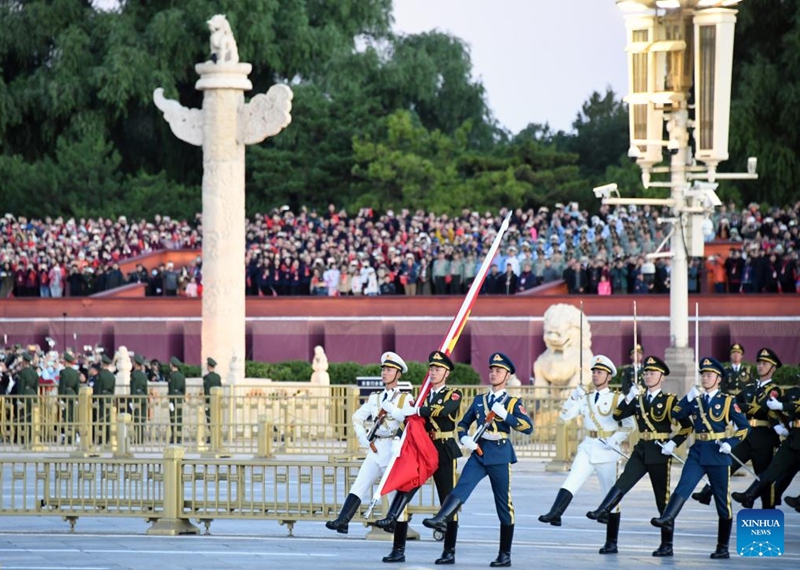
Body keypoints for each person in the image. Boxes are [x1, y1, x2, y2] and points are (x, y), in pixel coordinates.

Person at [422, 352, 533, 567]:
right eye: (491, 370)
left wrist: (506, 416)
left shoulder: (511, 402)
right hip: (480, 452)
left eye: (498, 371)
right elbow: (463, 423)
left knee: (503, 504)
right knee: (461, 487)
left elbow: (527, 427)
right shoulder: (480, 400)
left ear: (507, 375)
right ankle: (441, 519)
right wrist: (465, 438)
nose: (493, 373)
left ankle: (505, 554)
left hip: (500, 454)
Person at [586, 355, 693, 557]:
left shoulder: (669, 400)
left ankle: (667, 544)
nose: (648, 376)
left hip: (660, 451)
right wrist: (629, 397)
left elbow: (687, 427)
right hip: (642, 449)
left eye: (652, 373)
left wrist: (673, 442)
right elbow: (618, 415)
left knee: (662, 499)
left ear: (662, 377)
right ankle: (603, 510)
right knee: (622, 482)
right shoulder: (639, 399)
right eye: (646, 373)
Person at [651, 357, 749, 560]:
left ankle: (722, 547)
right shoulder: (695, 400)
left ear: (718, 379)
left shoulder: (727, 401)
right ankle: (668, 517)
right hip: (697, 452)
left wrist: (730, 443)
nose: (705, 378)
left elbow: (744, 428)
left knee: (723, 502)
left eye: (709, 375)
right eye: (703, 375)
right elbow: (677, 413)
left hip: (718, 453)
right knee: (683, 486)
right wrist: (687, 397)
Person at [376, 350, 462, 565]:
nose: (433, 372)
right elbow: (409, 421)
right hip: (423, 447)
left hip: (443, 448)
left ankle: (449, 551)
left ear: (447, 373)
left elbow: (442, 411)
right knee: (406, 485)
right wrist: (398, 437)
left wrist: (417, 409)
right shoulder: (423, 394)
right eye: (431, 369)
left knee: (447, 500)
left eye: (438, 369)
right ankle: (396, 539)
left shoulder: (453, 393)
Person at [538, 355, 635, 540]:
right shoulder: (586, 398)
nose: (595, 375)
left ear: (608, 377)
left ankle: (611, 542)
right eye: (594, 372)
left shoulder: (617, 398)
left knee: (610, 496)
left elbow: (629, 425)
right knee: (572, 479)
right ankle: (555, 513)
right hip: (588, 446)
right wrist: (573, 397)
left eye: (600, 372)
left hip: (607, 450)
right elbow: (565, 417)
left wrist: (615, 439)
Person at [325, 352, 414, 535]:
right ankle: (343, 520)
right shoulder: (375, 398)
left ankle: (398, 534)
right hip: (376, 448)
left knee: (393, 494)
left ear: (398, 374)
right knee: (360, 483)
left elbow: (409, 421)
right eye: (383, 369)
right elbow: (356, 417)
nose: (384, 373)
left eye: (389, 370)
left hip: (393, 448)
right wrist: (362, 437)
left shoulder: (404, 399)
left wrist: (393, 410)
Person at [692, 347, 784, 508]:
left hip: (764, 439)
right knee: (727, 464)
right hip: (745, 434)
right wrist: (743, 407)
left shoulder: (774, 390)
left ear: (773, 368)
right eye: (759, 363)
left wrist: (744, 407)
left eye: (764, 363)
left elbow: (763, 408)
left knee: (764, 480)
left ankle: (767, 517)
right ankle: (707, 492)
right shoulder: (749, 388)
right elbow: (733, 404)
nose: (760, 366)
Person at [732, 384, 800, 508]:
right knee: (773, 469)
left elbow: (788, 406)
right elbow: (773, 406)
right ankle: (750, 494)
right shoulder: (794, 391)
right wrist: (783, 421)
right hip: (794, 437)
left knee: (785, 475)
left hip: (776, 437)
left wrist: (781, 406)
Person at [58, 352, 80, 444]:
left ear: (66, 362)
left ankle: (68, 437)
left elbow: (62, 386)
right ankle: (73, 436)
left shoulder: (63, 372)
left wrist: (61, 398)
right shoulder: (76, 373)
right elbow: (77, 387)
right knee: (73, 417)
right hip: (73, 395)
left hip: (66, 394)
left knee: (66, 417)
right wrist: (77, 398)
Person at [95, 354, 116, 445]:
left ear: (103, 363)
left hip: (102, 397)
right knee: (108, 418)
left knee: (101, 418)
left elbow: (98, 388)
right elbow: (112, 389)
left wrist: (96, 398)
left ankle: (101, 438)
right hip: (109, 397)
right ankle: (108, 437)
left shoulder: (100, 375)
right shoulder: (112, 376)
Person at [129, 354, 149, 443]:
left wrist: (131, 399)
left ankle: (137, 438)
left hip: (136, 397)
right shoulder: (143, 375)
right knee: (142, 419)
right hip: (143, 397)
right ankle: (141, 438)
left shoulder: (134, 375)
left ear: (135, 364)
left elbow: (132, 387)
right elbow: (146, 388)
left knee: (137, 418)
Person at [202, 357, 222, 441]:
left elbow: (206, 390)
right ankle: (216, 435)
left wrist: (206, 401)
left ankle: (211, 435)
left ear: (209, 366)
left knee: (209, 418)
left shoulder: (206, 378)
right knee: (216, 418)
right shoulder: (218, 377)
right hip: (217, 400)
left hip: (209, 401)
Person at [167, 356, 186, 444]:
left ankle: (174, 436)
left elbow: (171, 389)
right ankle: (178, 436)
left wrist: (170, 401)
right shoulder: (181, 376)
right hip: (179, 397)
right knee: (179, 417)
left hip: (174, 398)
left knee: (173, 418)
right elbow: (184, 389)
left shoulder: (171, 376)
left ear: (172, 365)